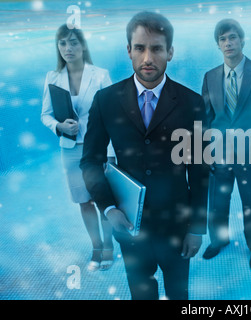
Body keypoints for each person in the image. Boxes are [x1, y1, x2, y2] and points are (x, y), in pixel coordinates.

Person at [80, 11, 209, 300]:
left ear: (170, 52)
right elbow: (90, 160)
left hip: (177, 224)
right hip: (128, 225)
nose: (147, 57)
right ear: (129, 51)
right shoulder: (106, 101)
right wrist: (109, 208)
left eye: (157, 48)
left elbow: (200, 170)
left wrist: (197, 228)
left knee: (179, 294)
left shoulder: (193, 104)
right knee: (141, 295)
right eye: (139, 48)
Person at [201, 19, 251, 271]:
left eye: (232, 37)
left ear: (242, 40)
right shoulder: (210, 77)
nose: (228, 42)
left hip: (249, 154)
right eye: (223, 39)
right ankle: (218, 240)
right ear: (218, 45)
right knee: (217, 203)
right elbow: (205, 118)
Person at [41, 24, 115, 272]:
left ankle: (108, 245)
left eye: (73, 42)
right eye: (62, 43)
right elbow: (46, 115)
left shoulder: (101, 75)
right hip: (70, 149)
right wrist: (60, 126)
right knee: (84, 201)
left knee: (103, 199)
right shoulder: (52, 77)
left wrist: (112, 154)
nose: (68, 48)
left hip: (97, 148)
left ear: (83, 45)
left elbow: (114, 117)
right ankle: (96, 246)